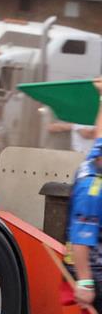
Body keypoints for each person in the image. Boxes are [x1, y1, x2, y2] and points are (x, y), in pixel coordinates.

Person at [67, 77, 102, 311]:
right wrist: (86, 284)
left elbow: (100, 131)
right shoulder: (93, 187)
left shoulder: (95, 158)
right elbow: (81, 239)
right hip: (98, 277)